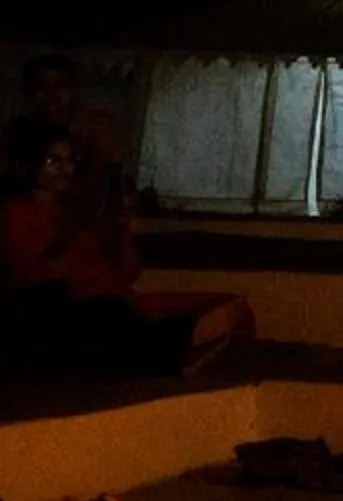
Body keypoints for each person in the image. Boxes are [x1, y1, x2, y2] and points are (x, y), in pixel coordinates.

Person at [3, 127, 253, 376]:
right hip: (70, 309)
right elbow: (33, 277)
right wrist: (74, 230)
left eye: (70, 161)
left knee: (231, 308)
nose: (65, 169)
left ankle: (177, 350)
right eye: (53, 161)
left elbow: (126, 273)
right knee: (102, 319)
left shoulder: (78, 210)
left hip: (119, 301)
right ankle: (171, 357)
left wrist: (121, 226)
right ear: (29, 164)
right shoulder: (16, 212)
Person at [5, 53, 127, 216]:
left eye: (60, 85)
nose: (51, 94)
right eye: (41, 86)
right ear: (29, 94)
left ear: (73, 90)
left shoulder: (95, 126)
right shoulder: (17, 131)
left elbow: (104, 181)